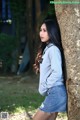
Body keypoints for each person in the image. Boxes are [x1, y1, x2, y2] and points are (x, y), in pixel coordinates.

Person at [33, 19, 67, 120]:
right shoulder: (48, 48)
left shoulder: (53, 49)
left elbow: (57, 72)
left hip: (55, 92)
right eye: (41, 30)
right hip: (54, 92)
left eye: (45, 30)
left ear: (52, 32)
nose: (41, 33)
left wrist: (45, 85)